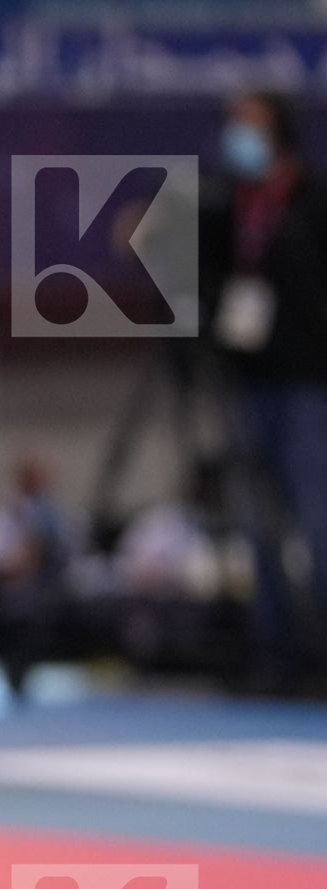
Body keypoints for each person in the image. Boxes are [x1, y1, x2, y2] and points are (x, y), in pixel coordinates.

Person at [200, 90, 327, 692]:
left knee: (316, 519)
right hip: (248, 381)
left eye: (249, 126)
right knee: (257, 525)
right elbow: (164, 231)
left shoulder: (313, 201)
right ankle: (275, 654)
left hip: (309, 383)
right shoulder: (229, 203)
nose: (237, 138)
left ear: (279, 132)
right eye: (233, 126)